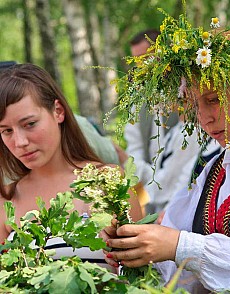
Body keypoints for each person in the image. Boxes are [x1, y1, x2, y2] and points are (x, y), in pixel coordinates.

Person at [100, 12, 230, 293]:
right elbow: (174, 248)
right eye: (193, 104)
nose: (203, 118)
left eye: (213, 100)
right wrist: (132, 244)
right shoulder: (217, 168)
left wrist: (181, 246)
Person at [0, 63, 142, 268]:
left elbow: (140, 274)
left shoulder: (107, 182)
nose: (20, 142)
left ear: (58, 111)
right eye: (6, 131)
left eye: (29, 124)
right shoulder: (7, 200)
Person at [124, 29, 218, 216]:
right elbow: (135, 149)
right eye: (136, 63)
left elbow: (183, 176)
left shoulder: (193, 125)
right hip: (156, 199)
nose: (141, 68)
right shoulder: (139, 104)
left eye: (145, 59)